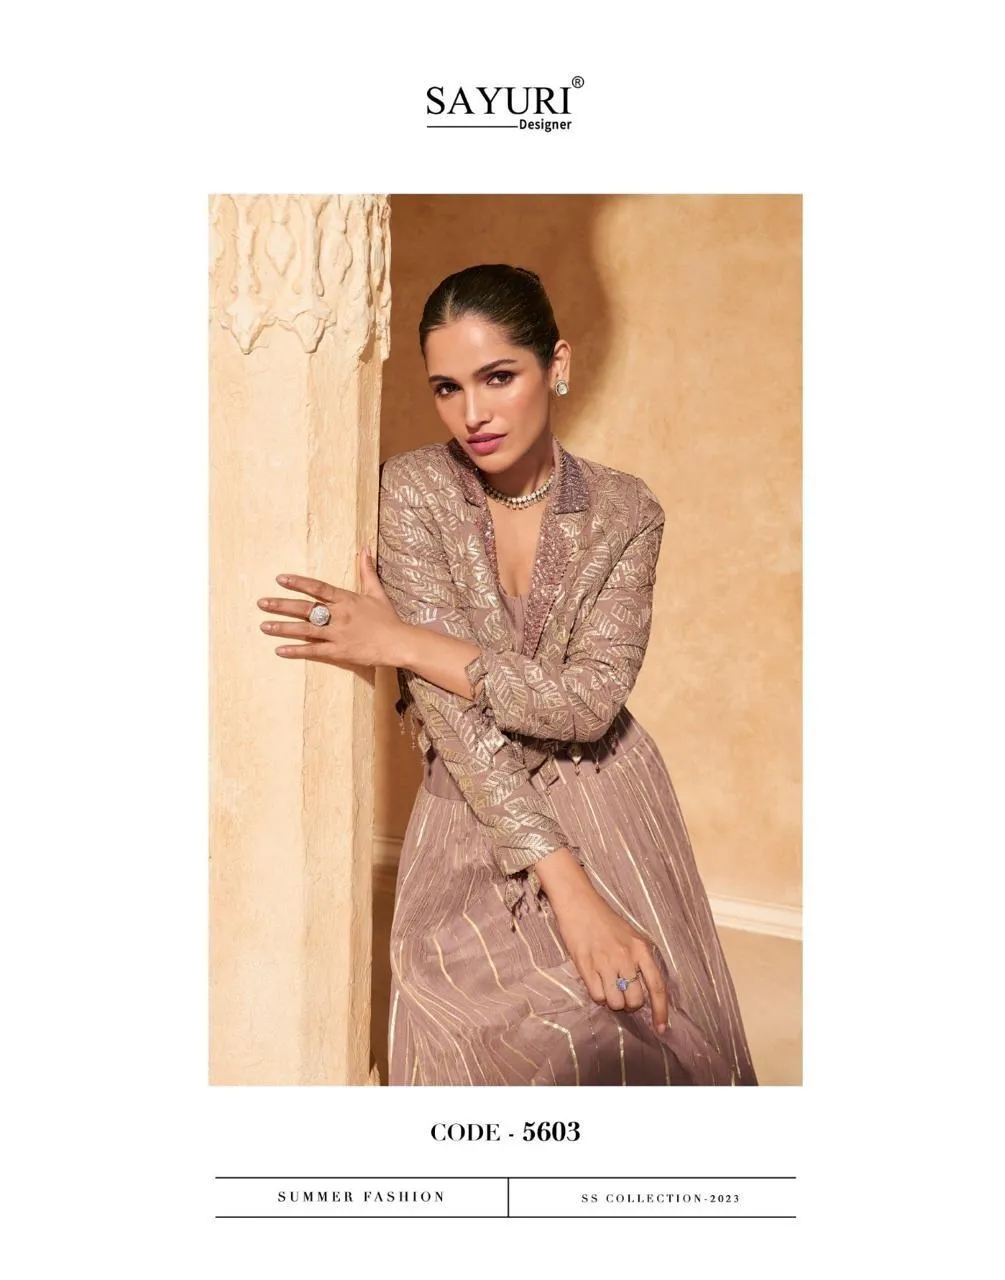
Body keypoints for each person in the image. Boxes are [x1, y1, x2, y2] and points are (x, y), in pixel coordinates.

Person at [257, 263, 757, 1086]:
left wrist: (404, 643)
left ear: (555, 364)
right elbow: (454, 722)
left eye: (497, 377)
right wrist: (567, 887)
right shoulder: (413, 489)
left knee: (644, 1051)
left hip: (611, 796)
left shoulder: (627, 511)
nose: (472, 414)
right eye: (446, 388)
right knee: (502, 1047)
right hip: (472, 797)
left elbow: (588, 707)